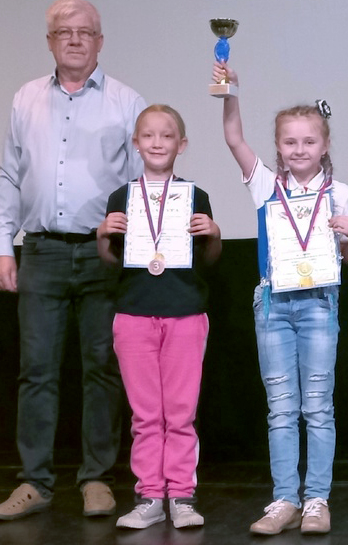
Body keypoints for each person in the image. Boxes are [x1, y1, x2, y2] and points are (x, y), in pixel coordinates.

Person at [0, 0, 146, 520]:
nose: (75, 40)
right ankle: (34, 482)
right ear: (50, 41)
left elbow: (141, 183)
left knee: (103, 369)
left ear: (100, 41)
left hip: (105, 254)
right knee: (36, 370)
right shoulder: (26, 98)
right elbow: (9, 175)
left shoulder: (126, 102)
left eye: (85, 32)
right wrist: (1, 246)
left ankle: (97, 479)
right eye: (64, 31)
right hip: (42, 250)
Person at [213, 61, 348, 535]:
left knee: (317, 407)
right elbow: (234, 139)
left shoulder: (341, 193)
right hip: (274, 304)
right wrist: (231, 92)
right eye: (290, 142)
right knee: (280, 408)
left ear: (325, 145)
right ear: (278, 146)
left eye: (309, 141)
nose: (299, 149)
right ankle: (284, 499)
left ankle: (316, 499)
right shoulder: (267, 185)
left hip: (319, 302)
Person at [97, 104, 222, 529]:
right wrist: (102, 235)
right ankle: (150, 495)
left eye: (166, 135)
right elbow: (110, 260)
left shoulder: (195, 196)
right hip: (133, 314)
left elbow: (209, 258)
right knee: (146, 414)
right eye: (148, 135)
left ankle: (181, 496)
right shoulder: (121, 197)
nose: (156, 142)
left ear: (181, 145)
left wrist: (214, 234)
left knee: (181, 413)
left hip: (185, 312)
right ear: (136, 143)